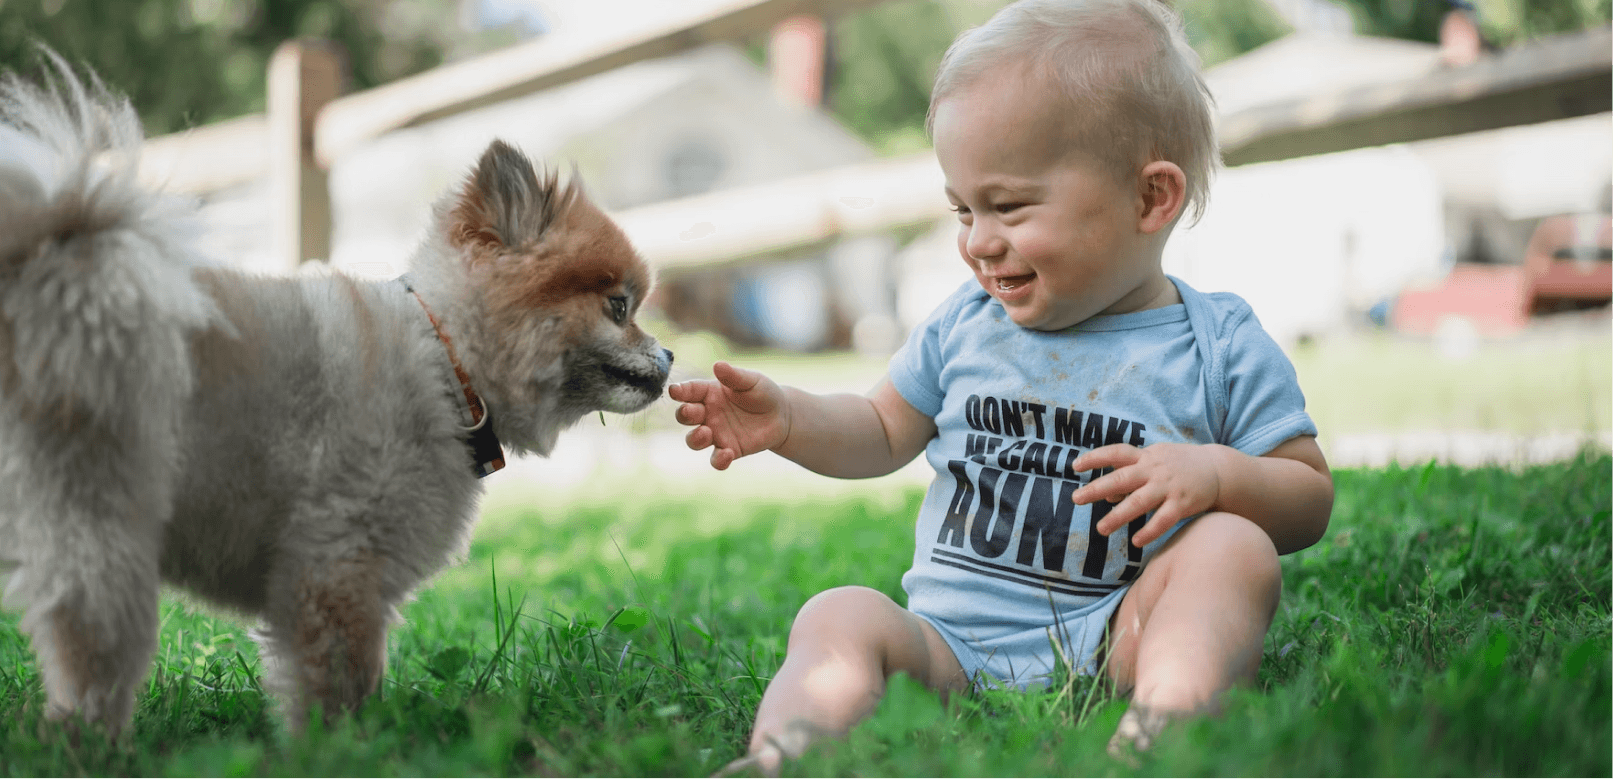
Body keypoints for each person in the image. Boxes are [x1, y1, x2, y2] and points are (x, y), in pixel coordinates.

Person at [669, 0, 1335, 773]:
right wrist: (788, 418)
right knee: (839, 611)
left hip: (1118, 636)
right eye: (962, 208)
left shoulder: (1216, 343)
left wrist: (1216, 476)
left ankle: (1161, 728)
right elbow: (882, 429)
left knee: (1235, 546)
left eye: (1009, 206)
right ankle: (785, 755)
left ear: (1150, 198)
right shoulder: (967, 323)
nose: (979, 242)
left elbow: (1307, 495)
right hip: (945, 650)